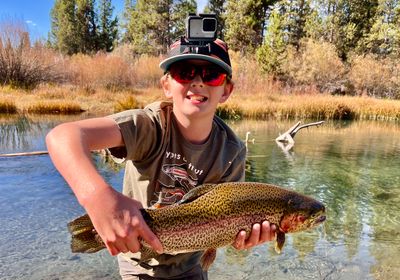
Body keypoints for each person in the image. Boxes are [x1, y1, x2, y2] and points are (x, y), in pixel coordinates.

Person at [46, 37, 276, 279]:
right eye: (185, 72)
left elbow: (231, 220)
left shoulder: (232, 152)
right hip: (138, 264)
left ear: (226, 90)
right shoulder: (149, 126)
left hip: (191, 267)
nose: (197, 82)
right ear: (166, 85)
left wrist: (241, 237)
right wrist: (97, 197)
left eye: (212, 75)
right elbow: (63, 136)